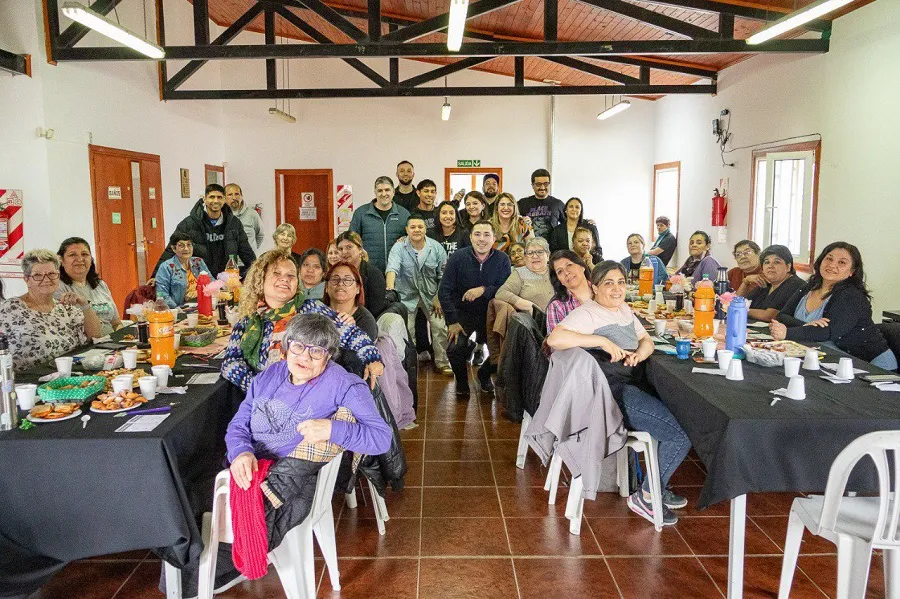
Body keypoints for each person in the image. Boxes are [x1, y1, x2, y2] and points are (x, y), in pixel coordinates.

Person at [220, 314, 391, 599]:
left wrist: (332, 429)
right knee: (182, 501)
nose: (305, 357)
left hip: (288, 482)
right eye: (298, 346)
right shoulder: (269, 376)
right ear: (286, 347)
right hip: (248, 467)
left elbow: (381, 438)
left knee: (196, 529)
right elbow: (238, 424)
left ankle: (211, 569)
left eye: (317, 351)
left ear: (329, 356)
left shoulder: (344, 385)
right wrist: (241, 452)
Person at [547, 261, 691, 526]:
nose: (616, 289)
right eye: (608, 283)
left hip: (631, 382)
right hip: (611, 395)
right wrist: (601, 341)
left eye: (621, 282)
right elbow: (555, 339)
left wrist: (640, 354)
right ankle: (648, 496)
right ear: (594, 287)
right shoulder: (588, 314)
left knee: (684, 410)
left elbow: (646, 339)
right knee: (680, 433)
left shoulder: (623, 309)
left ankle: (656, 485)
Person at [220, 250, 384, 393]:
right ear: (260, 279)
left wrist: (372, 358)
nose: (284, 279)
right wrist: (257, 386)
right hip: (266, 400)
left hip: (311, 395)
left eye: (290, 275)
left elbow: (350, 334)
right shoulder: (248, 321)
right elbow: (230, 363)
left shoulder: (311, 309)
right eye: (277, 273)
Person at [771, 242, 897, 370]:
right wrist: (806, 325)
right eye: (829, 259)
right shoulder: (809, 287)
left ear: (852, 271)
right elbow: (782, 316)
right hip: (832, 359)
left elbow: (828, 331)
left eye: (842, 262)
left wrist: (787, 332)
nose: (832, 265)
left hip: (872, 364)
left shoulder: (851, 296)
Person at [438, 221, 511, 395]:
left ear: (494, 238)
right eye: (477, 234)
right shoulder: (458, 257)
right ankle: (462, 383)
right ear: (470, 237)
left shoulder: (502, 259)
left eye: (486, 235)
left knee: (505, 350)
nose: (482, 239)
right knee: (454, 349)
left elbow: (505, 289)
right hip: (463, 313)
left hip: (491, 313)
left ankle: (484, 374)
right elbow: (444, 291)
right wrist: (452, 321)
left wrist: (483, 290)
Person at [0, 249, 103, 372]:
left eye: (52, 273)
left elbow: (95, 337)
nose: (46, 279)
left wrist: (84, 305)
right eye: (38, 275)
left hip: (68, 376)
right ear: (27, 280)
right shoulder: (9, 309)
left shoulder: (66, 308)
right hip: (28, 380)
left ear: (58, 276)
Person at [386, 215, 451, 374]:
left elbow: (444, 276)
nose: (416, 230)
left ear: (425, 229)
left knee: (439, 327)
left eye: (420, 227)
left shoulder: (436, 248)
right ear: (407, 230)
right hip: (406, 296)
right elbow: (392, 269)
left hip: (432, 296)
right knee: (406, 330)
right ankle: (408, 364)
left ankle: (442, 362)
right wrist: (390, 291)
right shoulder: (399, 248)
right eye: (413, 227)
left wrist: (439, 297)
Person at [154, 184, 255, 278]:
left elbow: (246, 252)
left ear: (224, 200)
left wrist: (258, 274)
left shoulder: (234, 223)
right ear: (204, 199)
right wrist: (156, 276)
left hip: (226, 279)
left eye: (219, 197)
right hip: (198, 279)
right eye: (212, 197)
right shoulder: (189, 224)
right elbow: (171, 251)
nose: (216, 201)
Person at [55, 237, 122, 335]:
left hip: (112, 341)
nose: (80, 259)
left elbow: (116, 323)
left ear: (91, 259)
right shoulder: (57, 288)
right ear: (61, 261)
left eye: (85, 254)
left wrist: (123, 337)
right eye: (72, 255)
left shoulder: (100, 285)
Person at [349, 176, 410, 273]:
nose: (384, 194)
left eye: (387, 190)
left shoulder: (404, 214)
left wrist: (406, 238)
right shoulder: (361, 213)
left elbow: (412, 239)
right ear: (375, 192)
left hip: (398, 271)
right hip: (368, 271)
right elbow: (351, 239)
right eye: (380, 190)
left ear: (393, 192)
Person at [744, 245, 805, 322]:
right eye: (767, 262)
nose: (770, 266)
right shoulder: (767, 283)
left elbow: (770, 316)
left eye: (777, 262)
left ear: (788, 267)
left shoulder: (794, 284)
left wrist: (740, 310)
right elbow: (739, 302)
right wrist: (745, 282)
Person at [335, 231, 387, 318]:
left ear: (360, 249)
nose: (344, 252)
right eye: (340, 249)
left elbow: (376, 309)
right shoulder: (335, 274)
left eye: (349, 247)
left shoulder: (374, 274)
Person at [323, 262, 378, 341]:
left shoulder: (366, 321)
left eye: (347, 280)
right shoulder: (314, 307)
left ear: (358, 288)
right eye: (335, 279)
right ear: (326, 287)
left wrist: (351, 332)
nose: (340, 283)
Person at [495, 238, 553, 313]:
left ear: (548, 255)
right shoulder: (521, 273)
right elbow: (501, 293)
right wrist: (526, 304)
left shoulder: (556, 270)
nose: (535, 256)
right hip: (537, 319)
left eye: (540, 252)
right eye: (530, 253)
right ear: (525, 258)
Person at [155, 232, 212, 308]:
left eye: (189, 245)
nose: (186, 249)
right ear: (173, 248)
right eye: (181, 245)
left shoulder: (198, 262)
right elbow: (162, 296)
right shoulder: (166, 267)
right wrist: (179, 310)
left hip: (202, 305)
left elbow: (212, 283)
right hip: (179, 309)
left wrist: (199, 291)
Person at [546, 250, 594, 333]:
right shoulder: (557, 306)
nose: (566, 272)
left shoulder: (602, 290)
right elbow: (556, 339)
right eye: (560, 271)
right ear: (560, 280)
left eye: (569, 265)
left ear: (582, 266)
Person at [517, 169, 566, 241]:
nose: (542, 187)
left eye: (546, 184)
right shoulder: (522, 203)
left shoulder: (558, 204)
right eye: (538, 184)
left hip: (552, 246)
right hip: (529, 246)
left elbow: (569, 224)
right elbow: (511, 222)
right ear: (532, 185)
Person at [225, 183, 265, 255]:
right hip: (228, 260)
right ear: (224, 197)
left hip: (249, 259)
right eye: (230, 195)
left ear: (241, 196)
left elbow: (260, 235)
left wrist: (251, 251)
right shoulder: (220, 215)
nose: (234, 197)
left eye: (237, 194)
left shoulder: (252, 214)